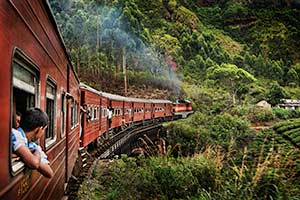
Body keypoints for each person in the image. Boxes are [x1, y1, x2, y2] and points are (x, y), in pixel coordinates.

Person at [11, 108, 53, 178]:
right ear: (39, 129)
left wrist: (26, 155)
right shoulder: (15, 134)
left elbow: (49, 173)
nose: (43, 133)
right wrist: (34, 154)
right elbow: (34, 163)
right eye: (44, 130)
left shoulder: (33, 146)